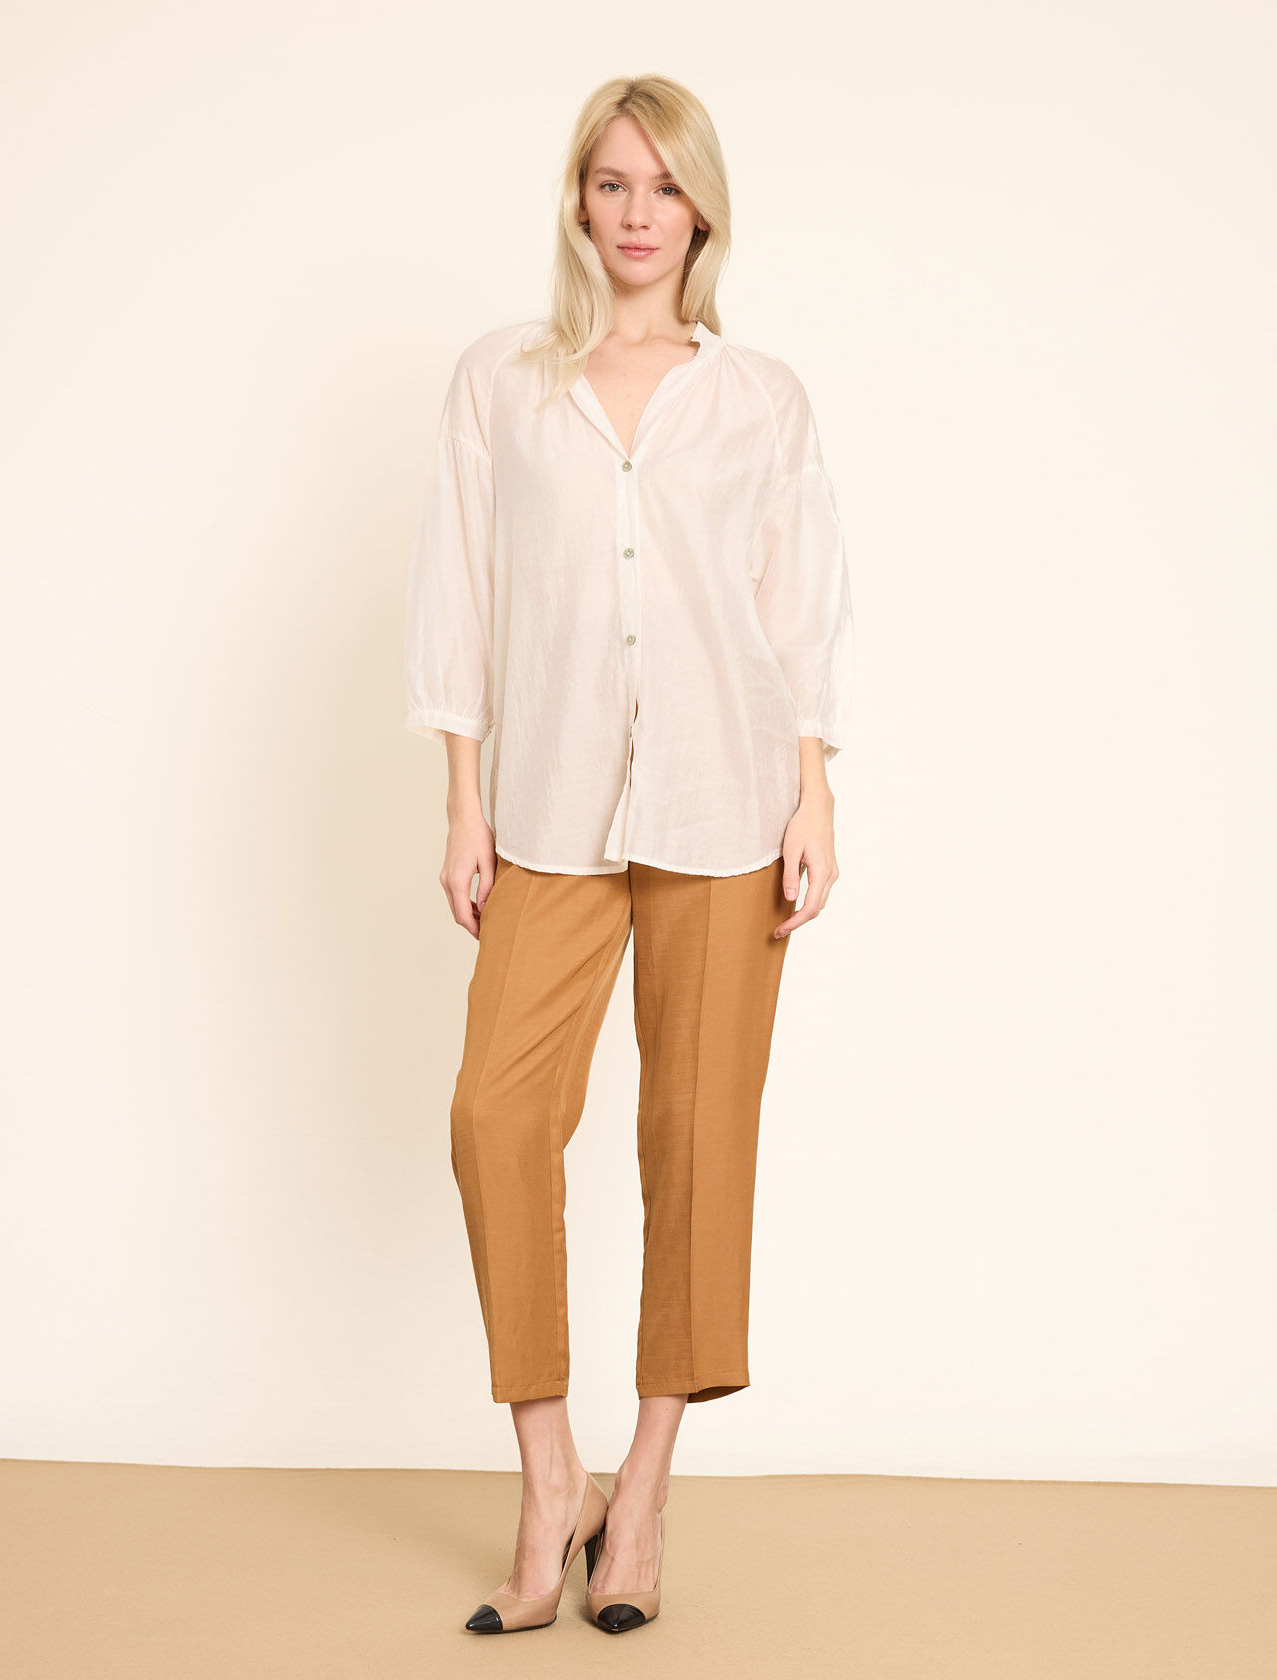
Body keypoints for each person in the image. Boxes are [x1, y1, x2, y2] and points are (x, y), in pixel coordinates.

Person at [403, 74, 854, 1636]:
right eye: (610, 182)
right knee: (495, 1113)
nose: (637, 212)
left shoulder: (761, 399)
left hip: (729, 805)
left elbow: (798, 608)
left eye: (664, 185)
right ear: (578, 201)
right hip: (548, 805)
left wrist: (814, 792)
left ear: (703, 208)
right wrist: (462, 801)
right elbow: (459, 592)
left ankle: (644, 1490)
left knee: (696, 1137)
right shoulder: (502, 383)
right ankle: (552, 1480)